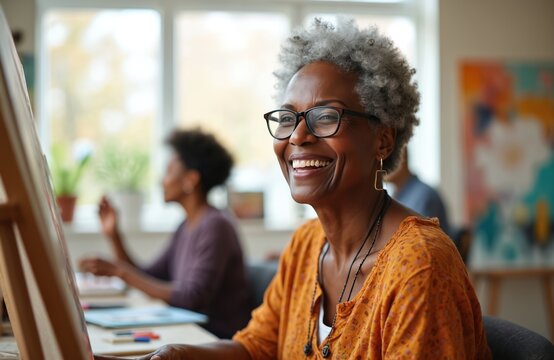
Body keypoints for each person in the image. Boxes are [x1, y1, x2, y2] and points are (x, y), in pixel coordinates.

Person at [96, 18, 490, 360]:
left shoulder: (419, 265)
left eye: (325, 117)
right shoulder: (306, 246)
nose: (298, 136)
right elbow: (256, 348)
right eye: (287, 118)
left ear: (383, 141)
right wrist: (174, 356)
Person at [79, 129, 251, 339]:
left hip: (215, 339)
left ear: (191, 180)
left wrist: (120, 272)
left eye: (169, 171)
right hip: (190, 334)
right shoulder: (187, 225)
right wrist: (114, 235)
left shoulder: (216, 225)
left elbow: (192, 298)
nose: (163, 181)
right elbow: (149, 276)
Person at [386, 148, 452, 236]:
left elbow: (415, 239)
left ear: (400, 158)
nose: (380, 165)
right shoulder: (397, 194)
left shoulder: (424, 196)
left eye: (385, 159)